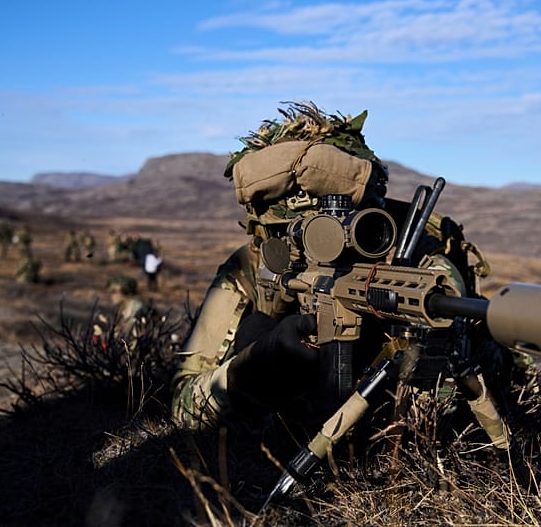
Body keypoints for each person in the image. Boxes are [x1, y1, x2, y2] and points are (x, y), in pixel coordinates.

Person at [171, 102, 508, 438]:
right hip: (282, 448)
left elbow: (434, 419)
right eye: (298, 235)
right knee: (254, 331)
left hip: (391, 436)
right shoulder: (250, 267)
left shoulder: (417, 268)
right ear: (269, 234)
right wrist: (249, 371)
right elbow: (183, 408)